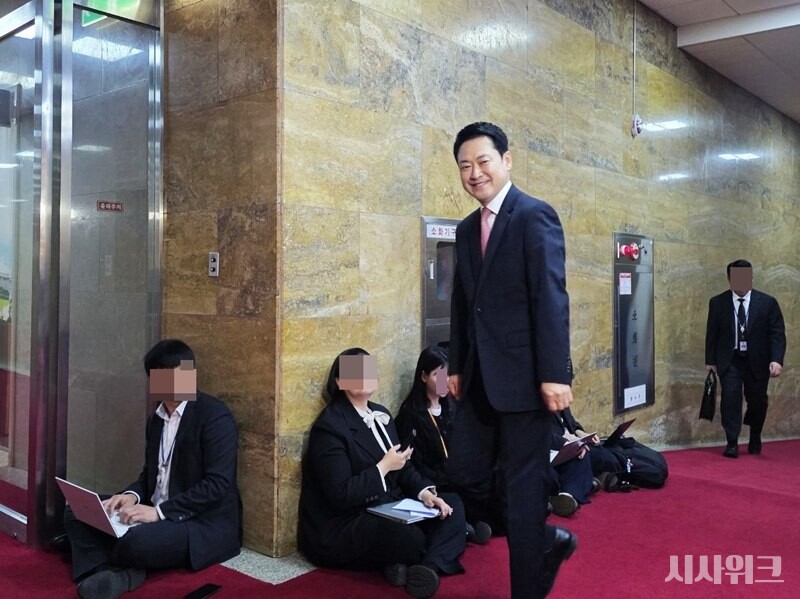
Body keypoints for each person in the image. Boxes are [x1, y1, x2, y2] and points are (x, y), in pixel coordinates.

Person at [446, 121, 576, 598]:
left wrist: (555, 373)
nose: (474, 173)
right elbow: (463, 303)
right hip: (479, 377)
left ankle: (527, 587)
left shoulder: (534, 215)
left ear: (506, 160)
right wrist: (456, 364)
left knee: (523, 488)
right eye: (465, 166)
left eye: (483, 161)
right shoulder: (466, 229)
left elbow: (550, 298)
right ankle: (546, 541)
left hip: (525, 378)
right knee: (466, 472)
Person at [63, 339, 242, 599]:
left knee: (135, 541)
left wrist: (158, 512)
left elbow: (217, 485)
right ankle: (106, 573)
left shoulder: (215, 417)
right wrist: (131, 495)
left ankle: (106, 563)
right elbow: (150, 475)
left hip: (198, 523)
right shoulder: (156, 420)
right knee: (78, 510)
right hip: (154, 509)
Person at [299, 348, 465, 599]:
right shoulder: (330, 427)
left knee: (452, 504)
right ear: (339, 382)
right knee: (408, 536)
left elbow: (403, 466)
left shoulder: (382, 414)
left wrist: (425, 494)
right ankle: (432, 553)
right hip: (346, 520)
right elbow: (340, 494)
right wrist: (383, 467)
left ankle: (426, 568)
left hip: (389, 506)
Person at [395, 346, 495, 543]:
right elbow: (412, 464)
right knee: (462, 498)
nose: (444, 381)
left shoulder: (452, 406)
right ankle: (466, 527)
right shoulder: (411, 415)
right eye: (437, 375)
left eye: (448, 375)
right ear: (423, 377)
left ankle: (474, 524)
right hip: (437, 482)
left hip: (459, 475)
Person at [705, 259, 786, 458]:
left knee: (757, 401)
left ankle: (755, 435)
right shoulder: (718, 302)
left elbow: (777, 334)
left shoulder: (767, 302)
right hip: (730, 359)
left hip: (757, 360)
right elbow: (712, 333)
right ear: (729, 279)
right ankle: (732, 442)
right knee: (730, 399)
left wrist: (777, 359)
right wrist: (710, 360)